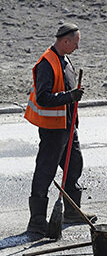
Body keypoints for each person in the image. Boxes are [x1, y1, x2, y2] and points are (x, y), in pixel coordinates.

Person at [24, 23, 95, 236]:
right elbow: (43, 97)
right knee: (45, 171)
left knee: (74, 165)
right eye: (76, 42)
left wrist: (72, 102)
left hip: (67, 125)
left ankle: (72, 212)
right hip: (53, 128)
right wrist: (69, 97)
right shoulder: (46, 63)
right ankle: (37, 222)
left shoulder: (65, 59)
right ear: (65, 41)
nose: (78, 47)